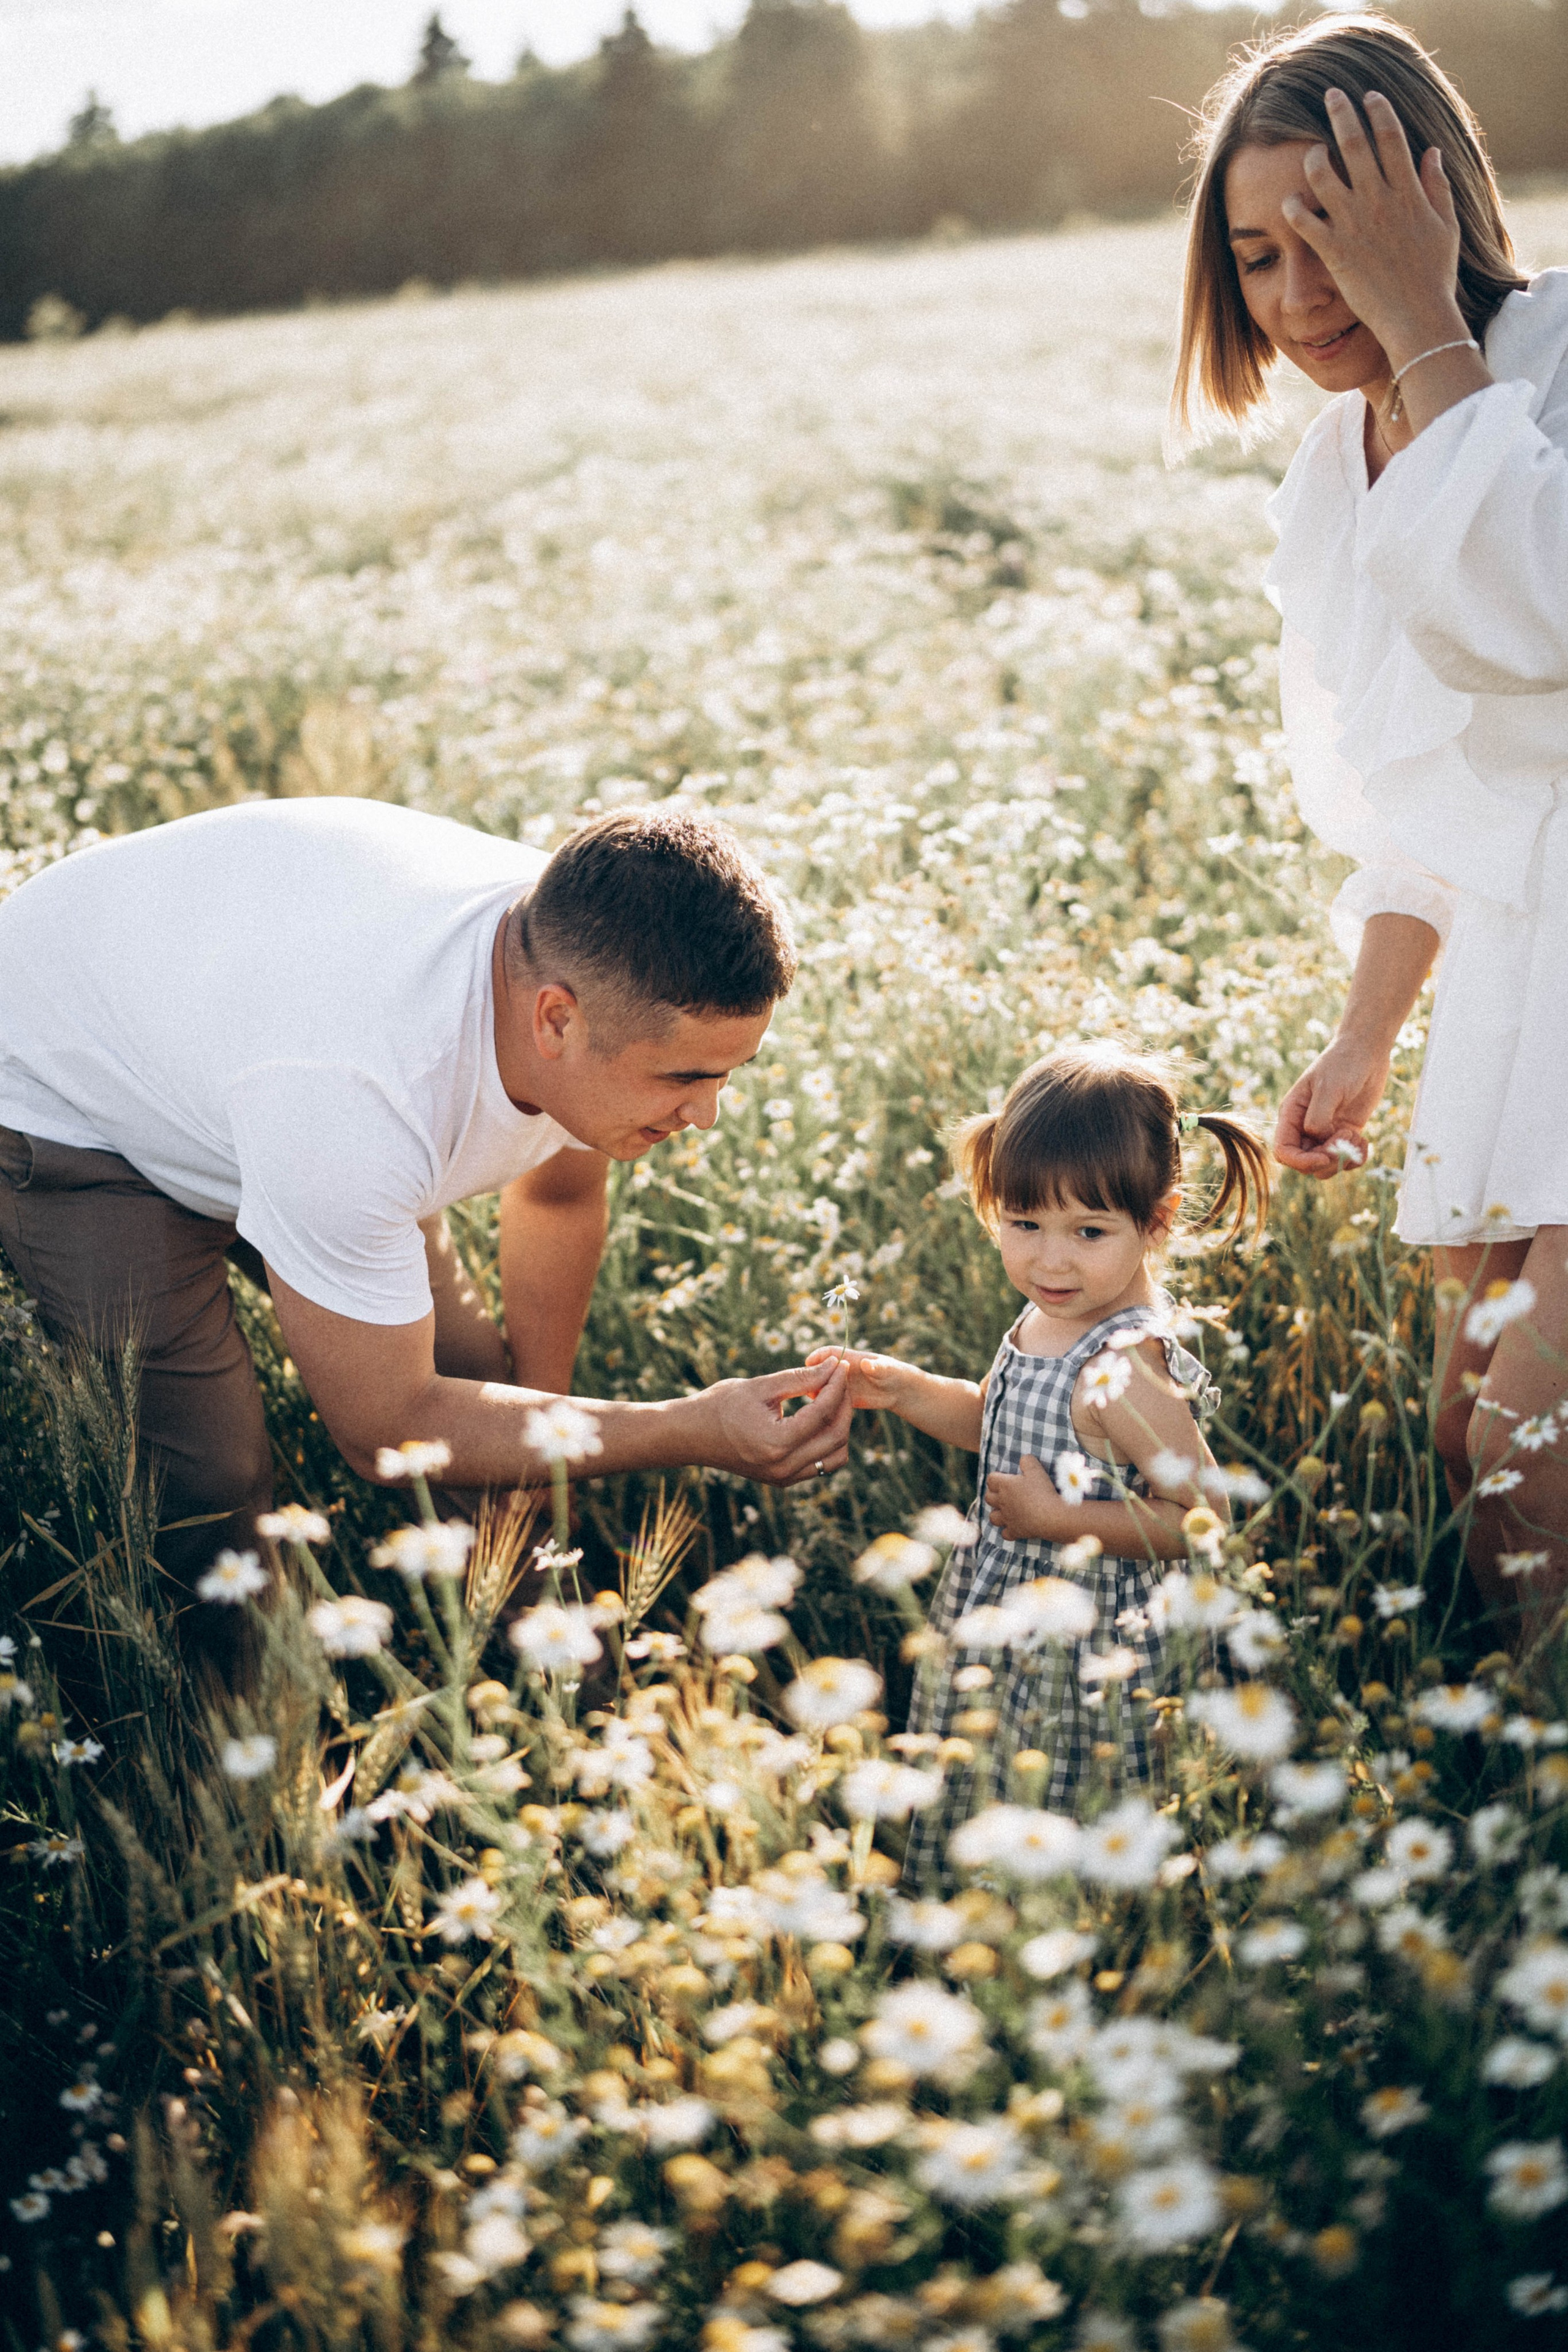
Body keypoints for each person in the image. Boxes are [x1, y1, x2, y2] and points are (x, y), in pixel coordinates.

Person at [0, 797, 851, 1662]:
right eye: (686, 1078)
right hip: (78, 1104)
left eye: (730, 1075)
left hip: (244, 1042)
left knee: (477, 1381)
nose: (707, 1115)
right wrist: (686, 1428)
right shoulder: (360, 1097)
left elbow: (557, 1202)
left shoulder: (590, 956)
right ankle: (238, 1757)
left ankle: (556, 1687)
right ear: (554, 1020)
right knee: (212, 1485)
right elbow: (386, 1430)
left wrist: (546, 1454)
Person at [1173, 14, 1568, 1635]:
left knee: (1533, 1444)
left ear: (1432, 198)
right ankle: (1521, 1815)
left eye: (1334, 238)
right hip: (1512, 989)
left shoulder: (1552, 360)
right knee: (1477, 1442)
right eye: (1259, 255)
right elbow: (1425, 791)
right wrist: (1363, 1038)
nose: (1297, 296)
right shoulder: (1331, 471)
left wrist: (1433, 333)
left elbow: (1537, 619)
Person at [818, 1042, 1270, 1857]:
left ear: (1156, 1221)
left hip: (1093, 1647)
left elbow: (1204, 1517)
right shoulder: (1050, 1319)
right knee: (988, 1781)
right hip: (1010, 1614)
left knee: (1066, 1811)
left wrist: (1060, 1519)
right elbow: (1002, 1423)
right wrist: (905, 1388)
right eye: (1024, 1224)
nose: (1049, 1258)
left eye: (1088, 1230)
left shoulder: (1123, 1363)